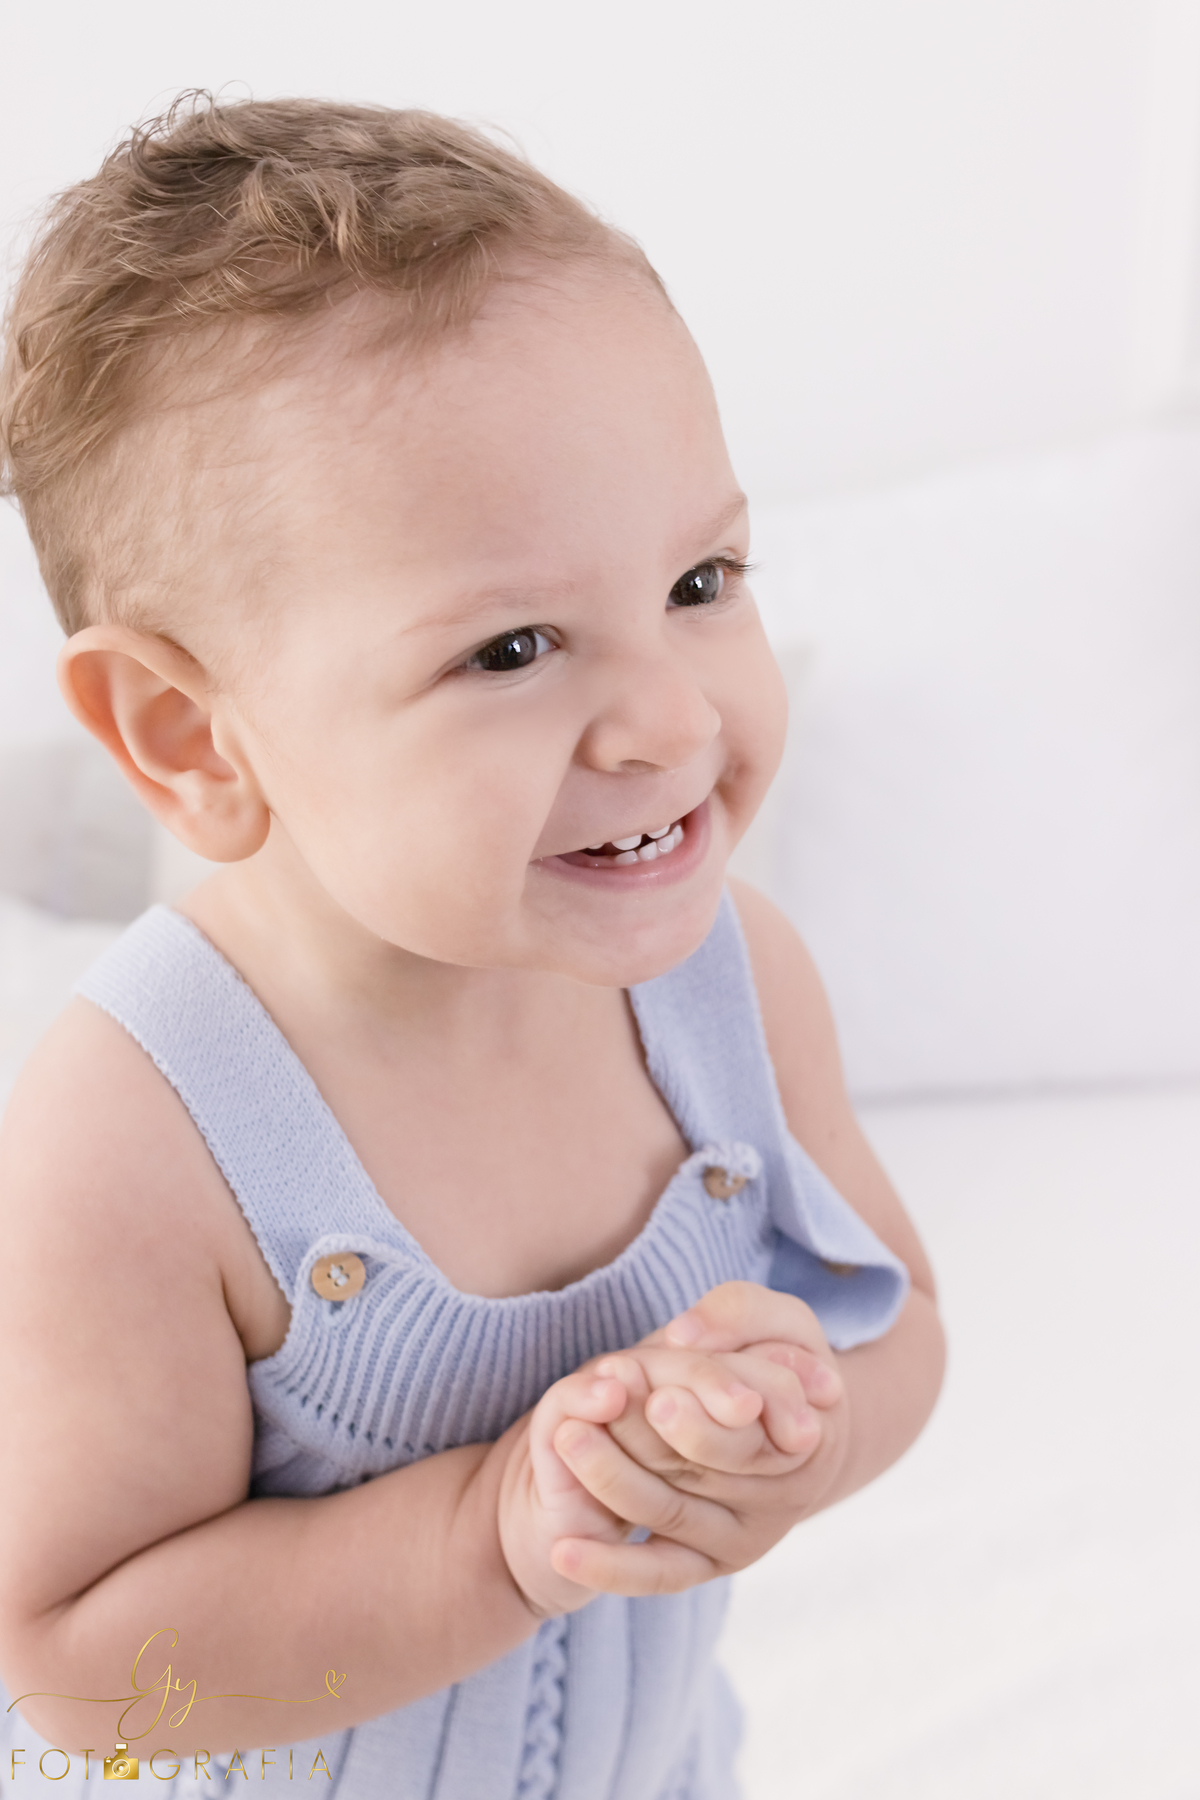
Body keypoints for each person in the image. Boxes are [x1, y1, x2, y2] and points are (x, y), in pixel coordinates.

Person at [0, 95, 945, 1799]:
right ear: (189, 736)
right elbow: (81, 1680)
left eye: (701, 579)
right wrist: (492, 1537)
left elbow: (900, 1322)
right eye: (514, 647)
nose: (665, 715)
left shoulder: (735, 988)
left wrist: (799, 1436)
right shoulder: (137, 1137)